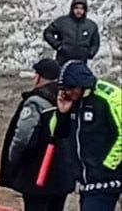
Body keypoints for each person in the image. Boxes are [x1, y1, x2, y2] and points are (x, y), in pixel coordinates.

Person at [0, 58, 76, 211]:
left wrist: (13, 160)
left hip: (38, 173)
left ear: (39, 77)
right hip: (64, 173)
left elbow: (22, 137)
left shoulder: (36, 101)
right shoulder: (70, 99)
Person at [53, 61, 122, 210]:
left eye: (71, 88)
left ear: (82, 84)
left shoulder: (110, 97)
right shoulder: (71, 101)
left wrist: (109, 165)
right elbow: (55, 134)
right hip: (86, 182)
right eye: (64, 89)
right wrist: (62, 113)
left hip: (107, 178)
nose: (68, 92)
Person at [43, 0, 100, 66]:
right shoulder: (62, 22)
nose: (79, 11)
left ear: (85, 10)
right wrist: (57, 45)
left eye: (82, 8)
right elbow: (48, 32)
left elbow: (95, 43)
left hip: (81, 62)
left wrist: (90, 53)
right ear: (72, 8)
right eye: (76, 8)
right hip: (63, 60)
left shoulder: (91, 25)